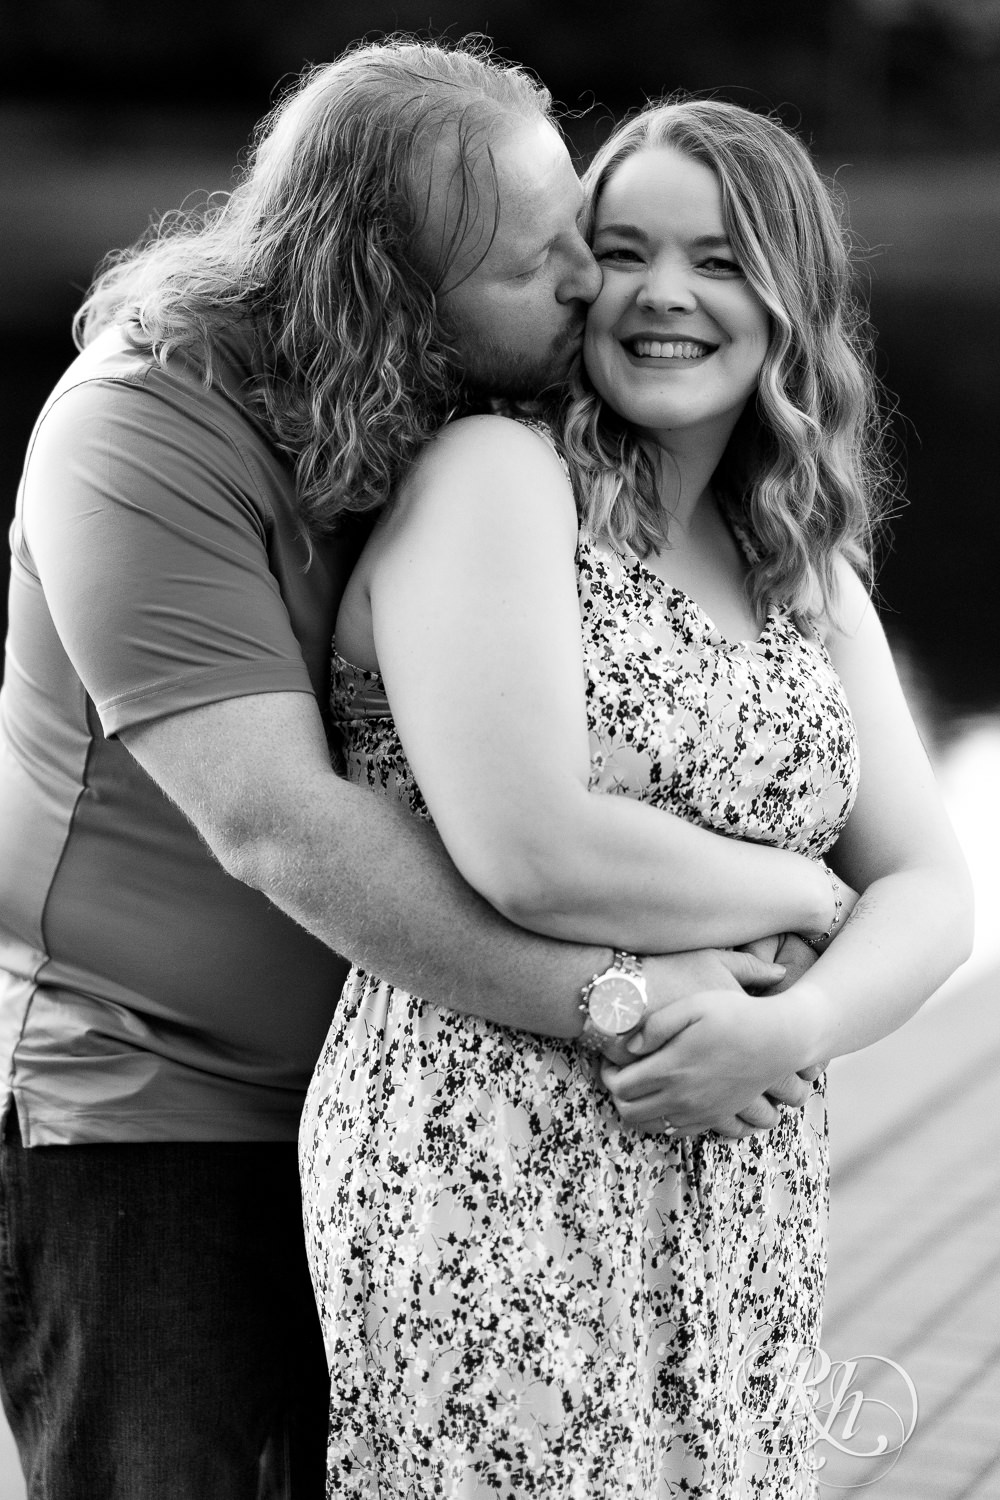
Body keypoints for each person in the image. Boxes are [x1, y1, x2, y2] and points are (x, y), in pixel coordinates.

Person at [0, 40, 808, 1500]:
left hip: (418, 1095)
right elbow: (280, 829)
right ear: (385, 290)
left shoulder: (464, 397)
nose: (589, 288)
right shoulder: (138, 430)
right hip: (160, 1115)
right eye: (538, 263)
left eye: (582, 235)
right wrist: (619, 999)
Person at [298, 97, 973, 1496]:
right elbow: (530, 850)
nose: (666, 293)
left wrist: (792, 1023)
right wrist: (811, 895)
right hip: (486, 1151)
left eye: (722, 260)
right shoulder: (498, 478)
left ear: (792, 304)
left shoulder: (800, 565)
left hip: (737, 1159)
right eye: (625, 249)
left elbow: (946, 893)